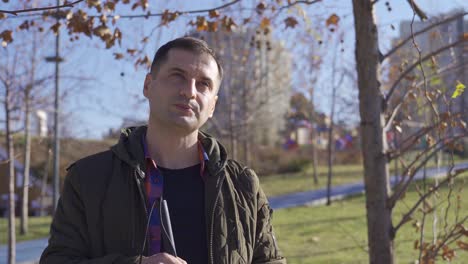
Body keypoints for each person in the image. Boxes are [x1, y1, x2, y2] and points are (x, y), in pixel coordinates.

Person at [40, 37, 286, 264]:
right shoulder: (89, 177)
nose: (189, 91)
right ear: (148, 85)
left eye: (203, 84)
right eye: (177, 76)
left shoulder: (243, 185)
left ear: (213, 105)